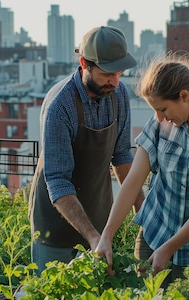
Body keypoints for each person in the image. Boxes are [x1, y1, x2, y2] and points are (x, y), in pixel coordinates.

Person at [95, 52, 189, 288]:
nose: (159, 117)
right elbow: (134, 181)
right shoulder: (160, 124)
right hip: (152, 236)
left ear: (184, 96)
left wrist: (169, 248)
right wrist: (107, 235)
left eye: (163, 109)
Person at [29, 25, 144, 271]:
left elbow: (122, 155)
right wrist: (93, 238)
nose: (115, 82)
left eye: (119, 73)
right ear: (84, 64)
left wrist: (142, 212)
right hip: (55, 227)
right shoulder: (59, 106)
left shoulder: (119, 94)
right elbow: (58, 181)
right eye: (106, 74)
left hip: (98, 214)